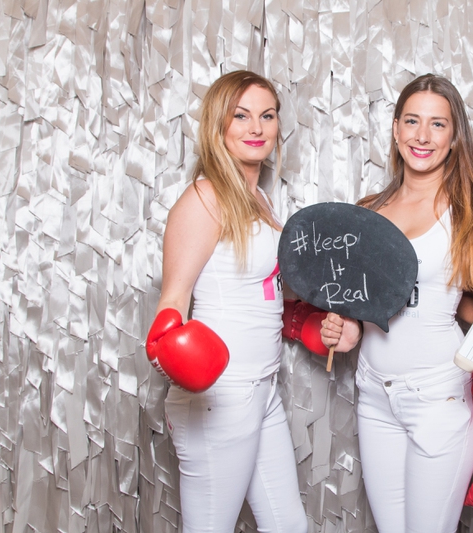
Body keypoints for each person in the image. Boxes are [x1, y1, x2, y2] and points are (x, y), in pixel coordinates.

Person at [320, 74, 473, 533]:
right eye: (412, 121)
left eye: (437, 124)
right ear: (395, 130)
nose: (422, 136)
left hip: (437, 396)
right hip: (374, 395)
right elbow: (360, 311)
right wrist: (345, 329)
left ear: (454, 137)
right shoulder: (368, 210)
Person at [146, 70, 308, 532]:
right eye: (241, 116)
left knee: (288, 527)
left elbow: (267, 290)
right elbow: (173, 298)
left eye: (267, 116)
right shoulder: (206, 197)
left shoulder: (260, 199)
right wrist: (167, 352)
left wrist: (320, 313)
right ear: (219, 123)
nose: (256, 128)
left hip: (262, 387)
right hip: (221, 393)